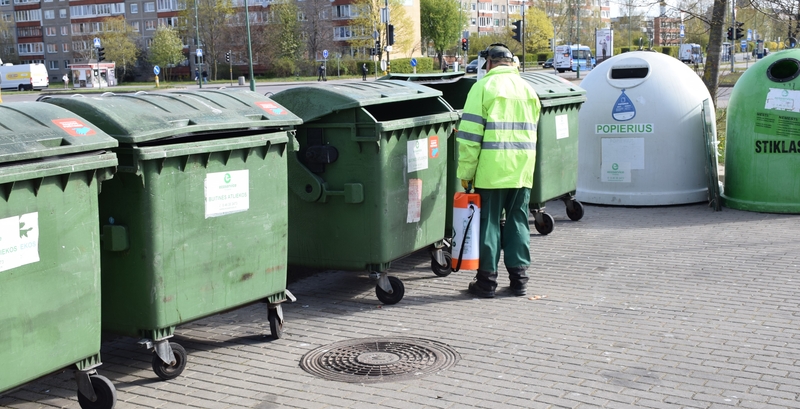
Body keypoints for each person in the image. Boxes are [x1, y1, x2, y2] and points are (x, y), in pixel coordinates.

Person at [456, 43, 541, 298]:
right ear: (512, 62)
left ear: (489, 63)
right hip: (522, 169)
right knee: (517, 219)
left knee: (489, 222)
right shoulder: (528, 89)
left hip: (491, 170)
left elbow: (470, 138)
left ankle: (486, 282)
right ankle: (519, 280)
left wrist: (466, 174)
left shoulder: (482, 88)